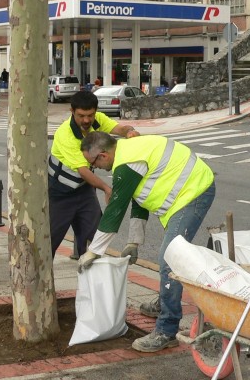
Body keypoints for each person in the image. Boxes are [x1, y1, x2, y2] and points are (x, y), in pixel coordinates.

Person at [78, 131, 216, 353]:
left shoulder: (126, 164)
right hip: (182, 196)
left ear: (103, 155)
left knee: (169, 260)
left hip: (194, 193)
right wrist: (134, 242)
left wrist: (94, 251)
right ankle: (165, 300)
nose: (95, 168)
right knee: (171, 257)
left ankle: (167, 330)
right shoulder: (129, 152)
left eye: (92, 163)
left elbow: (115, 209)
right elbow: (139, 201)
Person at [48, 91, 140, 259]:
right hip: (59, 193)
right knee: (49, 243)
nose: (86, 120)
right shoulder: (65, 135)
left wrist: (129, 131)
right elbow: (83, 170)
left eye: (90, 115)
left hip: (84, 191)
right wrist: (106, 188)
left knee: (97, 239)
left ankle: (91, 280)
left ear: (95, 111)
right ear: (72, 112)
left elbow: (119, 128)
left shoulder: (98, 120)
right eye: (81, 115)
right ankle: (42, 282)